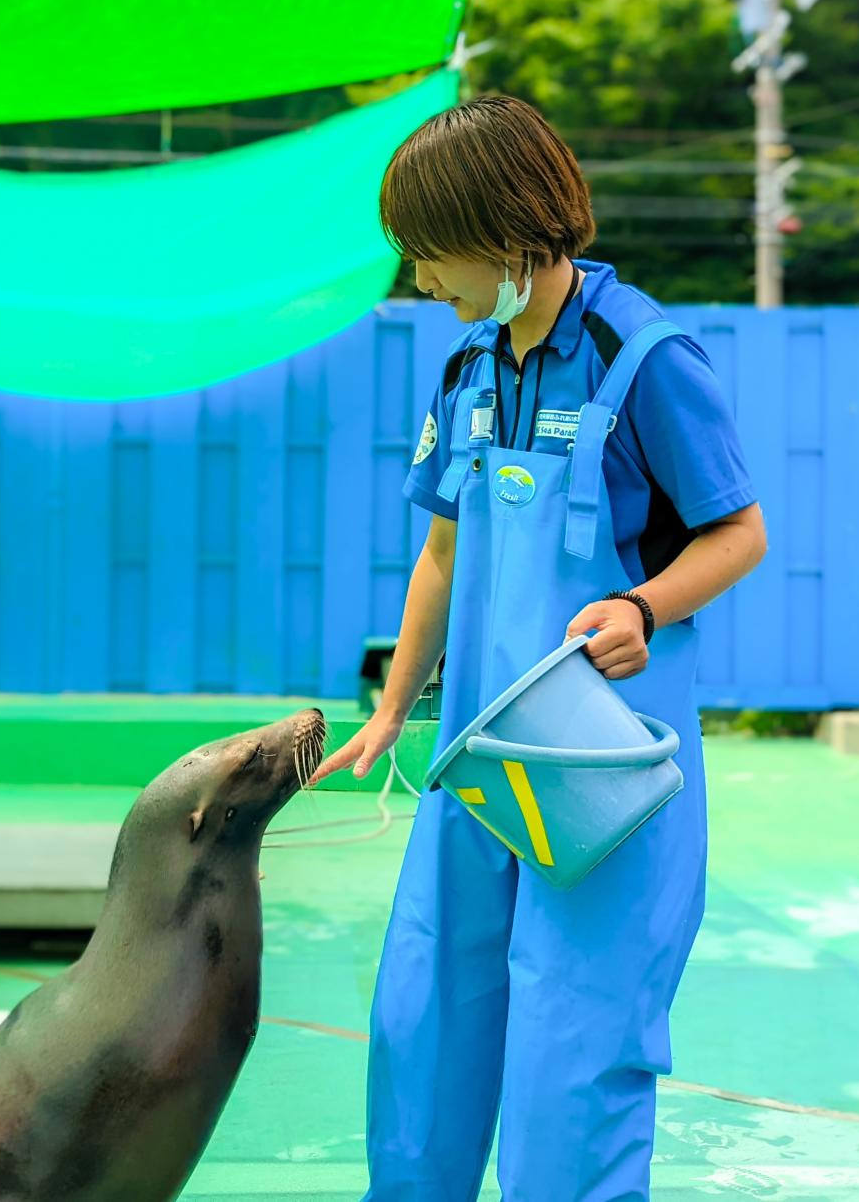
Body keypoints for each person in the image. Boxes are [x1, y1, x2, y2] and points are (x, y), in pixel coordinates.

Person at [311, 95, 768, 1200]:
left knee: (573, 1052)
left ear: (507, 232)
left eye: (431, 254)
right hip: (473, 767)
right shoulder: (470, 365)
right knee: (424, 1018)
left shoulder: (645, 356)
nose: (422, 280)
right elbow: (440, 556)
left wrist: (644, 608)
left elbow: (739, 531)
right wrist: (389, 709)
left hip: (599, 776)